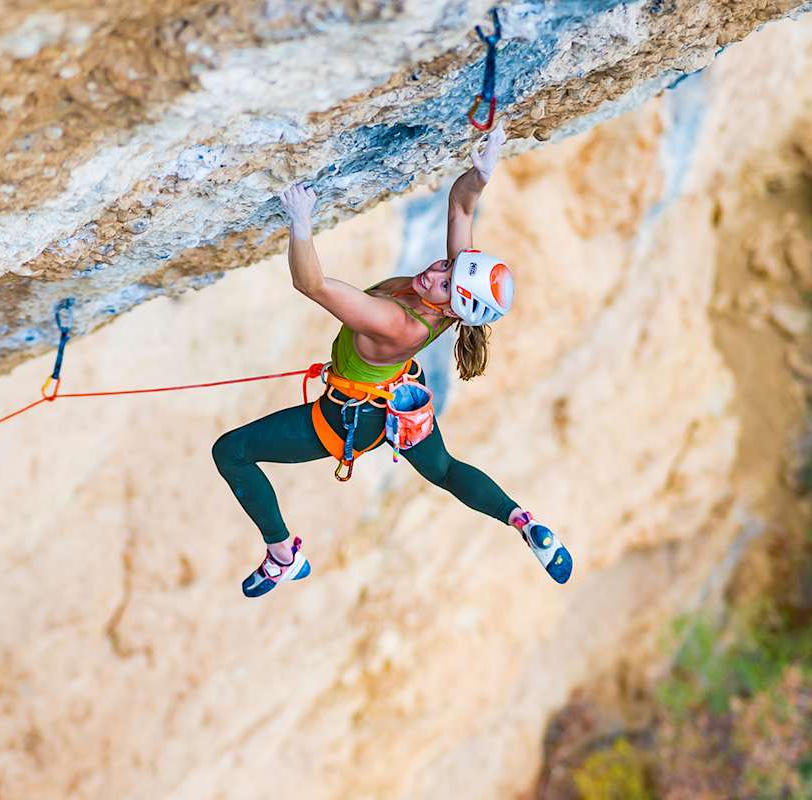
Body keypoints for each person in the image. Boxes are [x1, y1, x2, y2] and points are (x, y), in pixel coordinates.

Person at [212, 122, 573, 598]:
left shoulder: (396, 323)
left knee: (231, 452)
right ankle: (524, 522)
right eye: (448, 265)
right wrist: (481, 174)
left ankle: (284, 554)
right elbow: (461, 205)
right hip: (400, 398)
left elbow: (313, 284)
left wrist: (301, 223)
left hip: (349, 419)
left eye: (446, 282)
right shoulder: (450, 296)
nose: (435, 272)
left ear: (451, 307)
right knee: (442, 469)